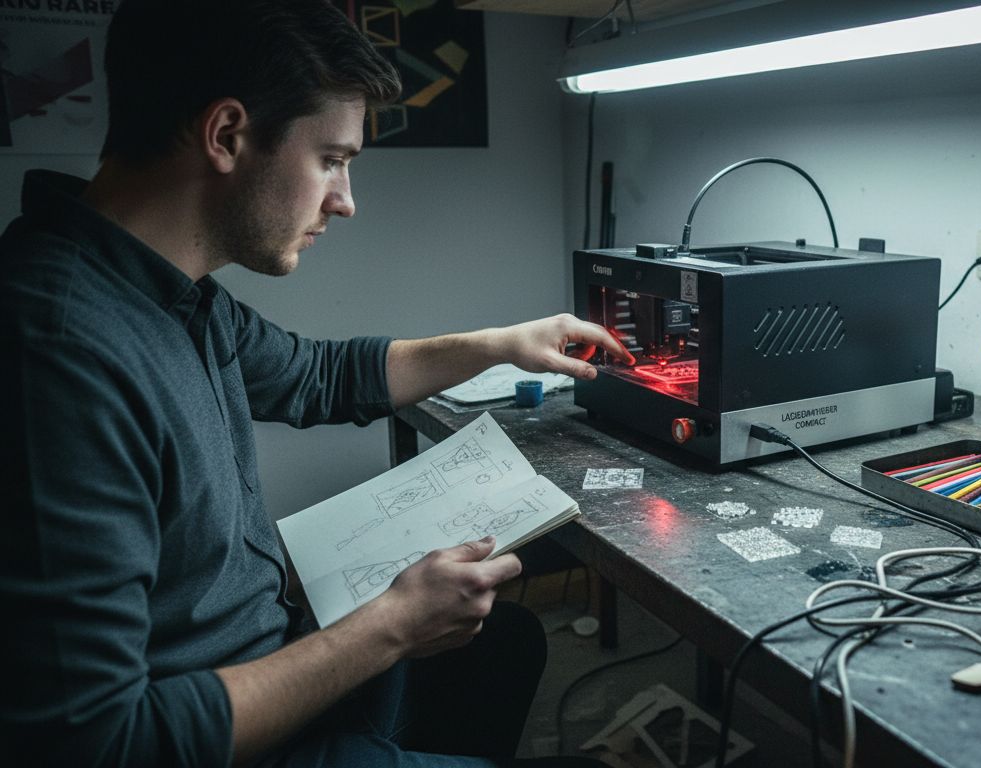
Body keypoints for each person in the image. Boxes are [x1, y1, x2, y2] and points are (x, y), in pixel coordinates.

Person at [0, 1, 631, 766]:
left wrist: (501, 346)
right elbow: (96, 743)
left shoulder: (166, 293)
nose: (345, 199)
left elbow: (320, 375)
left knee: (501, 638)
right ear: (227, 135)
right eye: (331, 159)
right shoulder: (61, 354)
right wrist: (390, 626)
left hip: (276, 654)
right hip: (230, 735)